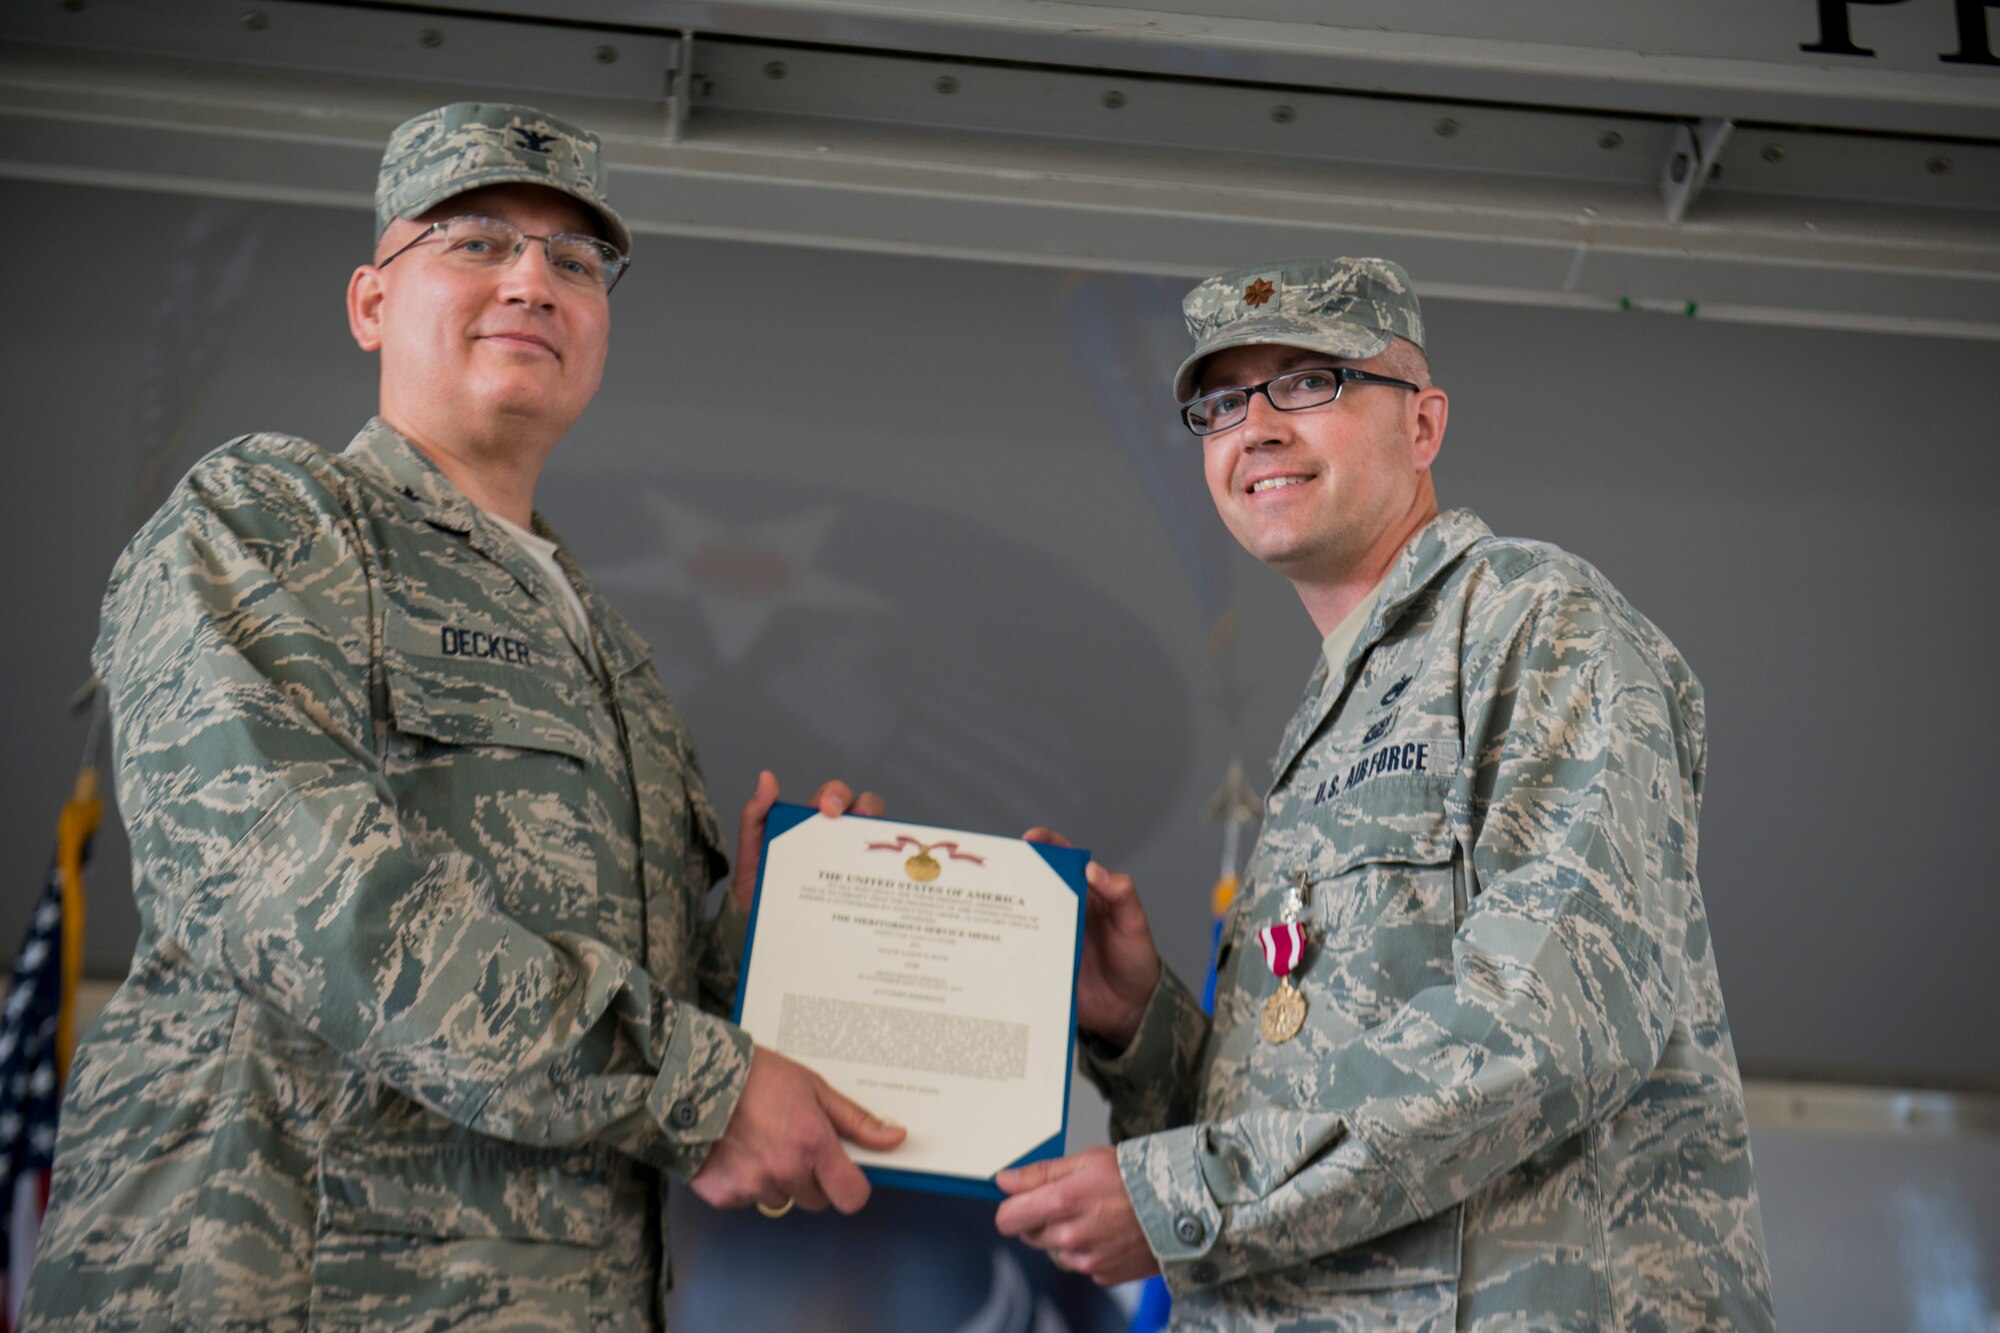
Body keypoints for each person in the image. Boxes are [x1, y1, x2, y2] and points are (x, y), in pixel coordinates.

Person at [22, 102, 902, 1330]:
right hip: (289, 1292)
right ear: (371, 303)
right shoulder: (273, 521)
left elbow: (607, 996)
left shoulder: (616, 662)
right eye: (476, 241)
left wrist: (760, 941)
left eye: (577, 262)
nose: (533, 280)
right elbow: (291, 887)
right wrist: (697, 1083)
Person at [995, 258, 1775, 1329]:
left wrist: (1187, 1196)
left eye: (1307, 381)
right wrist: (1143, 1027)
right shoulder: (1339, 709)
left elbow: (1552, 1029)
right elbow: (1307, 1087)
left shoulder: (1532, 626)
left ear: (1422, 425)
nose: (1254, 428)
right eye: (1218, 403)